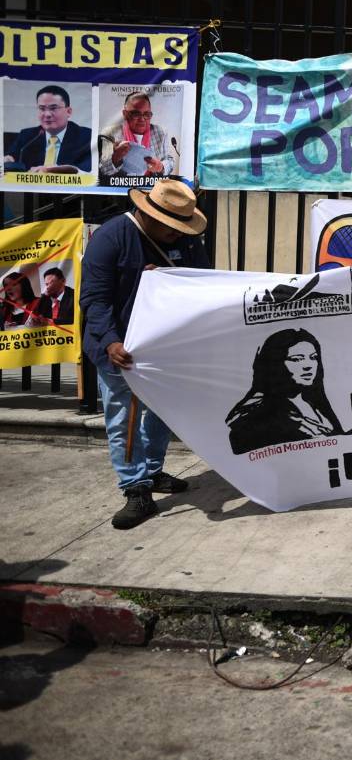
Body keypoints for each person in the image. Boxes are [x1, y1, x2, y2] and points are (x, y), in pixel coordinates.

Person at [80, 178, 209, 531]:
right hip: (121, 347)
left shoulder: (187, 239)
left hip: (166, 347)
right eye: (170, 226)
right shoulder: (110, 238)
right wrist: (110, 341)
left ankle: (151, 471)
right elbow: (94, 298)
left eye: (181, 225)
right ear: (147, 213)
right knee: (125, 418)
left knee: (163, 411)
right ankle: (135, 487)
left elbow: (203, 284)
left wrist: (169, 279)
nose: (177, 233)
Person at [226, 328, 342, 454]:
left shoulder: (316, 405)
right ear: (275, 363)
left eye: (313, 357)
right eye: (297, 359)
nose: (308, 365)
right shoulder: (255, 415)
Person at [3, 85, 93, 173]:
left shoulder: (86, 137)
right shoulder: (27, 136)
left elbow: (87, 170)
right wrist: (7, 161)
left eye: (53, 108)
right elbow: (11, 159)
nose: (47, 114)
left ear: (68, 112)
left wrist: (55, 170)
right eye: (42, 109)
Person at [98, 91, 176, 179]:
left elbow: (170, 161)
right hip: (121, 189)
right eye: (136, 114)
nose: (142, 119)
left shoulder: (160, 132)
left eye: (147, 114)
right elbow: (102, 170)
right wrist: (115, 158)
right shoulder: (110, 133)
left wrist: (161, 167)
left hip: (152, 188)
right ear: (125, 114)